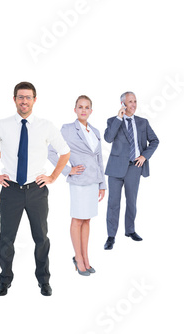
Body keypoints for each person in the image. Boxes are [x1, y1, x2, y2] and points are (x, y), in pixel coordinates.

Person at [0, 81, 70, 297]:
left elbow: (65, 152)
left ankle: (44, 281)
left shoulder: (46, 125)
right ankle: (5, 280)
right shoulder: (2, 125)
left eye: (28, 97)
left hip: (37, 190)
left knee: (41, 238)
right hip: (11, 190)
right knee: (7, 239)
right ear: (14, 99)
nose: (24, 100)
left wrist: (53, 176)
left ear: (34, 100)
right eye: (20, 97)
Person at [48, 95, 106, 276]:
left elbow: (99, 158)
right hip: (79, 181)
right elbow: (50, 151)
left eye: (87, 107)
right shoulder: (67, 129)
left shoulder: (95, 131)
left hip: (93, 181)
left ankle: (86, 257)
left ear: (91, 111)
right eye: (80, 107)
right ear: (75, 110)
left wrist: (102, 183)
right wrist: (67, 170)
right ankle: (78, 258)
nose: (83, 110)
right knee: (77, 219)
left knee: (87, 219)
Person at [103, 91, 159, 250]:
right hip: (115, 169)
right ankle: (111, 236)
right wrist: (119, 118)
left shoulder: (142, 122)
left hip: (134, 167)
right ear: (122, 104)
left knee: (131, 202)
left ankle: (130, 230)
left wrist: (144, 156)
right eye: (130, 102)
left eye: (135, 101)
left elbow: (155, 141)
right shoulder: (113, 121)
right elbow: (108, 138)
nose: (133, 104)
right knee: (113, 203)